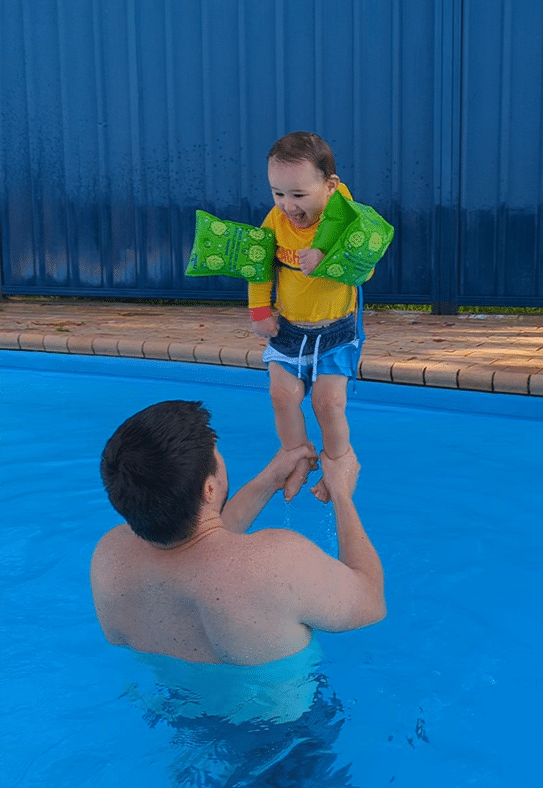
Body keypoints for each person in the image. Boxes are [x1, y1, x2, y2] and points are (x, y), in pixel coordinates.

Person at [90, 399, 385, 667]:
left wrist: (269, 479)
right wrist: (342, 492)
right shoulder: (277, 562)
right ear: (209, 489)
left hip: (175, 715)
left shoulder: (110, 558)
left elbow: (201, 553)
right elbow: (370, 602)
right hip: (290, 725)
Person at [248, 131, 369, 504]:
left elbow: (366, 268)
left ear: (330, 186)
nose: (288, 205)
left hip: (335, 330)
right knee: (281, 396)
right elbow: (258, 266)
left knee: (327, 403)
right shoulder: (276, 220)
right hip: (289, 330)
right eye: (277, 193)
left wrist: (327, 257)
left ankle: (340, 465)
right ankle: (297, 456)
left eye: (298, 195)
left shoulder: (345, 214)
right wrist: (259, 311)